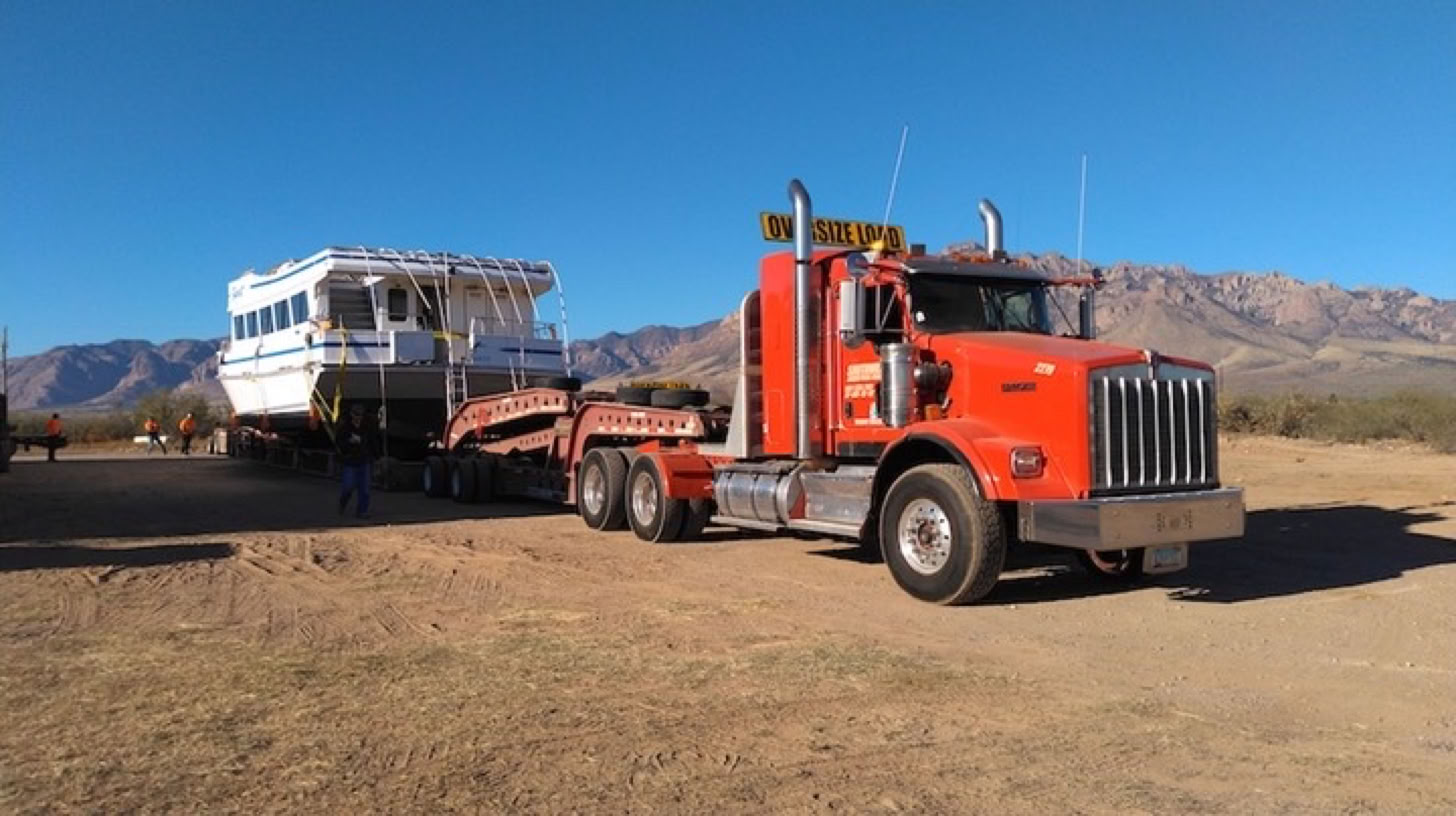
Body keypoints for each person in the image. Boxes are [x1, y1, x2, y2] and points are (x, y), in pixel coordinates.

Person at [336, 404, 378, 519]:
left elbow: (372, 442)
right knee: (348, 487)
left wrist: (376, 456)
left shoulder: (367, 427)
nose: (358, 417)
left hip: (364, 460)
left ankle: (362, 511)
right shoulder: (345, 428)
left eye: (360, 415)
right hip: (350, 461)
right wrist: (349, 442)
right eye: (356, 415)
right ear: (351, 414)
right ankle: (343, 502)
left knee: (365, 489)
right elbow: (339, 443)